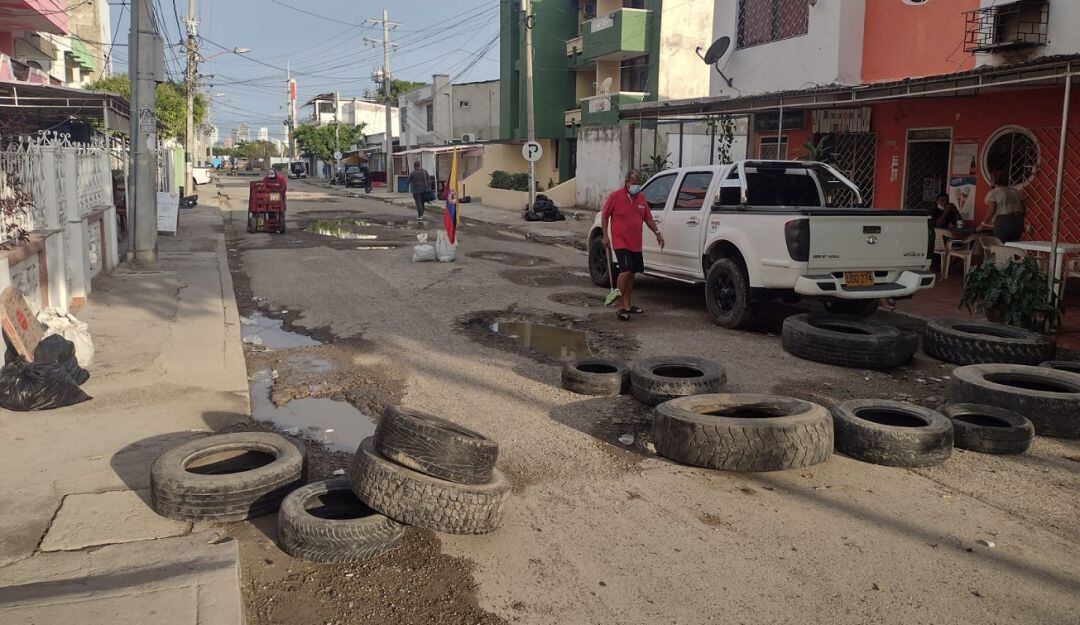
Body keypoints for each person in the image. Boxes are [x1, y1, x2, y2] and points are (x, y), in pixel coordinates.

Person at [601, 170, 664, 321]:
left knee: (632, 273)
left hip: (635, 243)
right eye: (633, 183)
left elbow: (648, 218)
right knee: (625, 271)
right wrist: (605, 236)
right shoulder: (616, 196)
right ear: (627, 183)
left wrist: (657, 233)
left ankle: (628, 304)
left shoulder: (641, 198)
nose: (636, 186)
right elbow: (605, 216)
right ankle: (619, 305)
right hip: (621, 241)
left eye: (637, 183)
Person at [980, 175, 1025, 242]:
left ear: (994, 182)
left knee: (1000, 245)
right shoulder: (1016, 191)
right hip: (1018, 221)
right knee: (1014, 245)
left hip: (1003, 222)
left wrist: (983, 224)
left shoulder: (994, 193)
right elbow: (1024, 208)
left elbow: (992, 209)